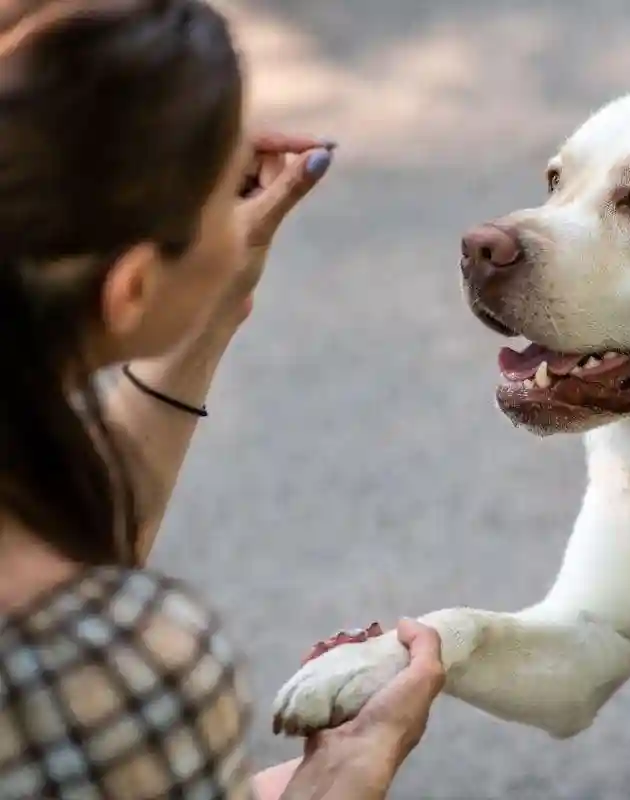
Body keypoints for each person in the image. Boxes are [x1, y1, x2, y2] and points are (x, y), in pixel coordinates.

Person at [0, 1, 444, 798]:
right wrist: (339, 780)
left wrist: (202, 323)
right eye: (215, 197)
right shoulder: (116, 671)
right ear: (131, 286)